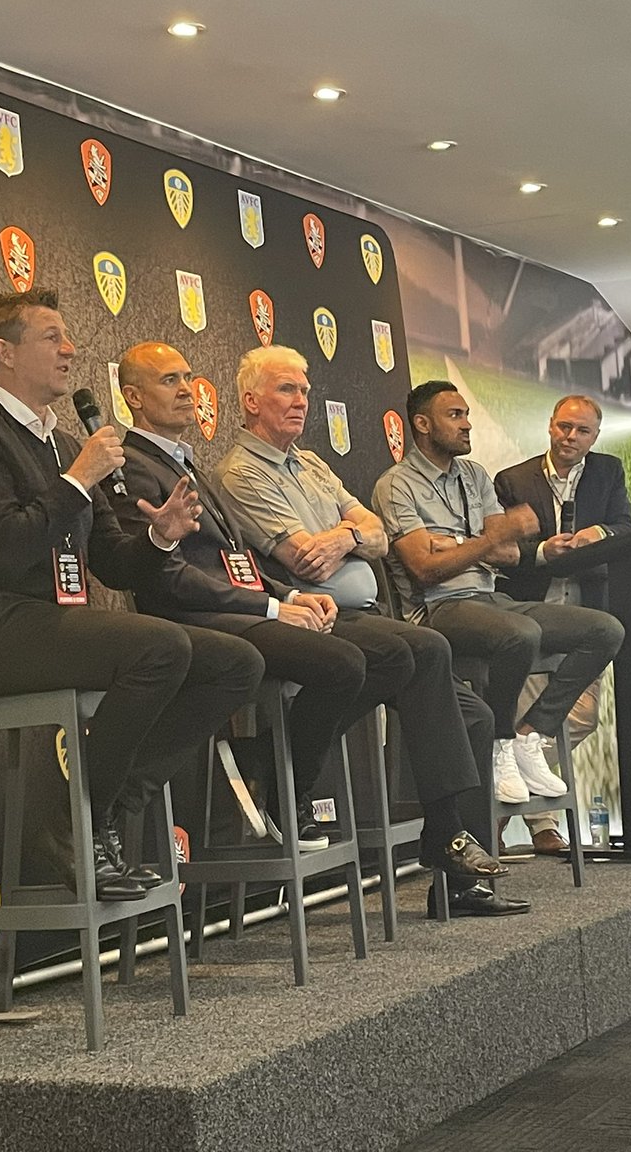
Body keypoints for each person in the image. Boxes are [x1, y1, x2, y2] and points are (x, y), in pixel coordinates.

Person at [0, 288, 264, 901]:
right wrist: (78, 478)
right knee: (158, 647)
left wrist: (159, 537)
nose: (70, 348)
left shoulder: (58, 443)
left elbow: (110, 560)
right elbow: (3, 550)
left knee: (235, 663)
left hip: (49, 626)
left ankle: (110, 802)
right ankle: (81, 827)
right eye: (51, 337)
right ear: (5, 351)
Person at [214, 346, 529, 918]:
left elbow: (377, 532)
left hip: (366, 616)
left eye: (306, 390)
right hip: (315, 618)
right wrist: (348, 533)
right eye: (287, 390)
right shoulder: (240, 473)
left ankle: (457, 868)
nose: (302, 400)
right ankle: (445, 848)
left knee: (477, 716)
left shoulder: (310, 464)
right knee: (423, 647)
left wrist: (342, 536)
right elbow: (301, 557)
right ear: (250, 400)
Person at [109, 340, 367, 852]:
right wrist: (272, 608)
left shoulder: (184, 463)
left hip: (237, 609)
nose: (187, 390)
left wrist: (291, 594)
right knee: (341, 665)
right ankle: (281, 786)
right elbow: (170, 576)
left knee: (366, 660)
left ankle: (269, 767)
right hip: (192, 618)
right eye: (170, 381)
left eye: (188, 377)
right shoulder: (133, 465)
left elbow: (235, 561)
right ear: (133, 397)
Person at [371, 380, 624, 829]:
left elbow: (508, 554)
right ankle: (500, 742)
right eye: (455, 416)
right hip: (439, 608)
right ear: (423, 424)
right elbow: (425, 569)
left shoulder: (476, 476)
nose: (467, 424)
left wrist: (455, 544)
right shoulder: (397, 485)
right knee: (521, 635)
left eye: (467, 413)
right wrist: (488, 538)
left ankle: (531, 733)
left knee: (605, 630)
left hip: (492, 597)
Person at [492, 394, 631, 853]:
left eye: (582, 431)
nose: (570, 437)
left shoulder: (608, 471)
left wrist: (602, 534)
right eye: (564, 427)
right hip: (533, 612)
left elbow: (627, 528)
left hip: (589, 614)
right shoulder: (511, 480)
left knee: (578, 719)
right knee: (531, 708)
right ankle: (539, 824)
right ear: (550, 425)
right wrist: (540, 554)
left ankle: (513, 774)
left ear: (595, 437)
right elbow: (500, 555)